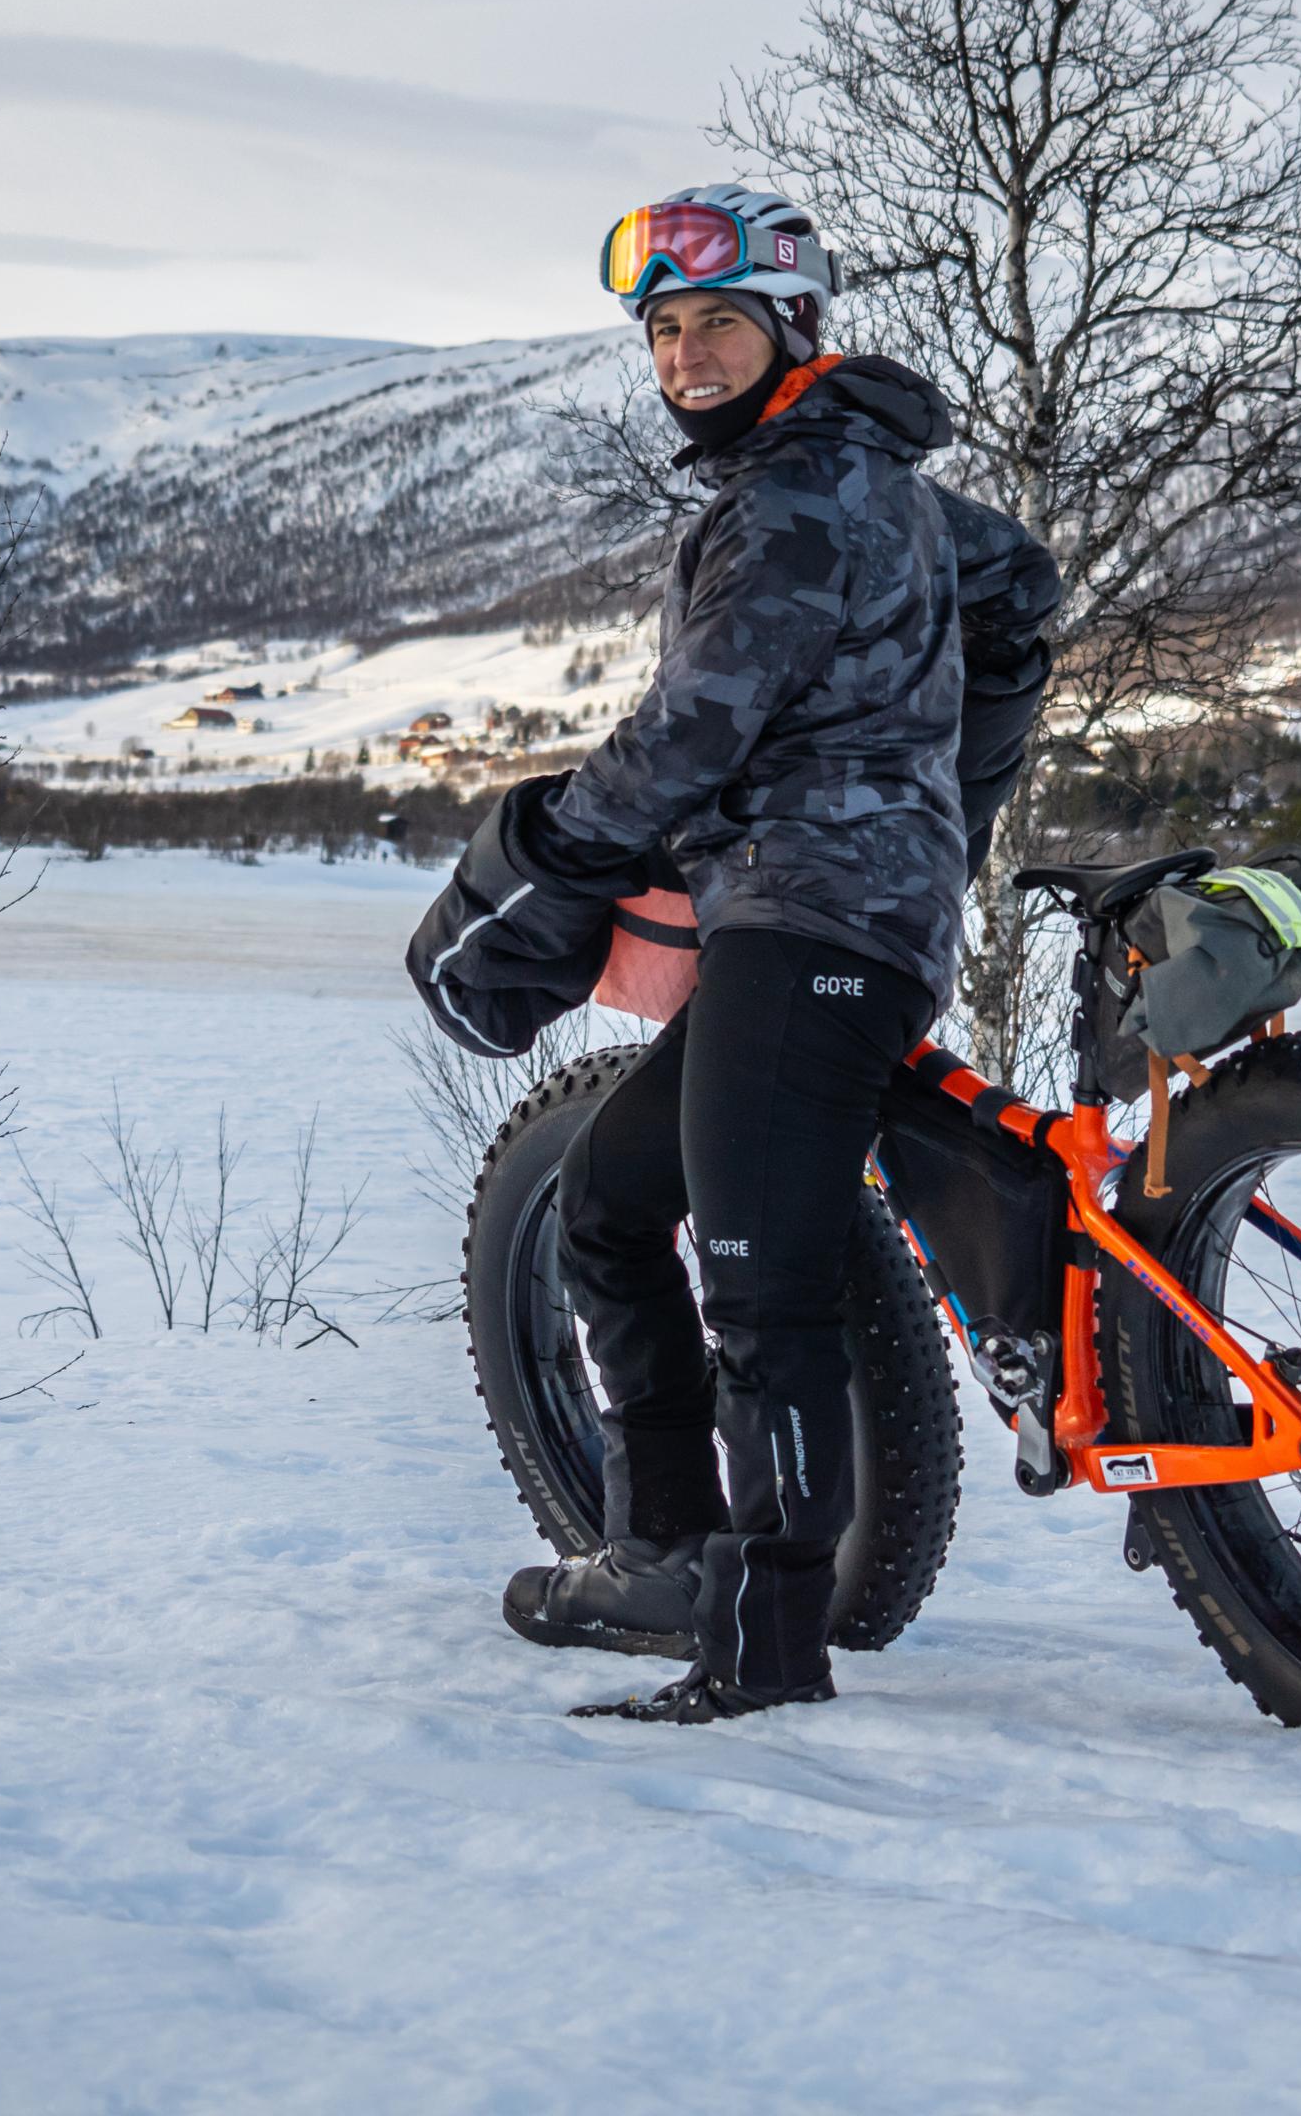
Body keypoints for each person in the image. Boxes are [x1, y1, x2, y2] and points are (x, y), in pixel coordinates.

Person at [406, 184, 1059, 1723]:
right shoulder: (861, 481)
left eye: (718, 325)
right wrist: (948, 800)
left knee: (765, 1296)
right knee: (610, 1202)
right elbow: (1022, 589)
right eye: (667, 331)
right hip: (823, 909)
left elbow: (698, 725)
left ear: (796, 329)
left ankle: (763, 1652)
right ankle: (660, 1553)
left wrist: (557, 845)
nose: (688, 357)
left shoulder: (794, 502)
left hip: (812, 921)